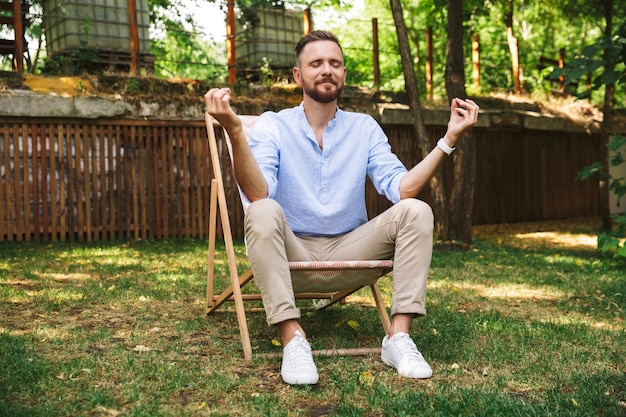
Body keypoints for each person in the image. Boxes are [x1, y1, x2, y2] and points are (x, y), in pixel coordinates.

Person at [205, 30, 479, 385]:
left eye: (334, 63)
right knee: (260, 210)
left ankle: (398, 337)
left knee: (417, 210)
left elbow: (402, 189)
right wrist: (235, 131)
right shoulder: (273, 125)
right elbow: (258, 192)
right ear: (297, 75)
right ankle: (293, 338)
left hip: (351, 248)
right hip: (292, 252)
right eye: (316, 63)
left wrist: (448, 139)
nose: (326, 70)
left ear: (344, 74)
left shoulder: (364, 128)